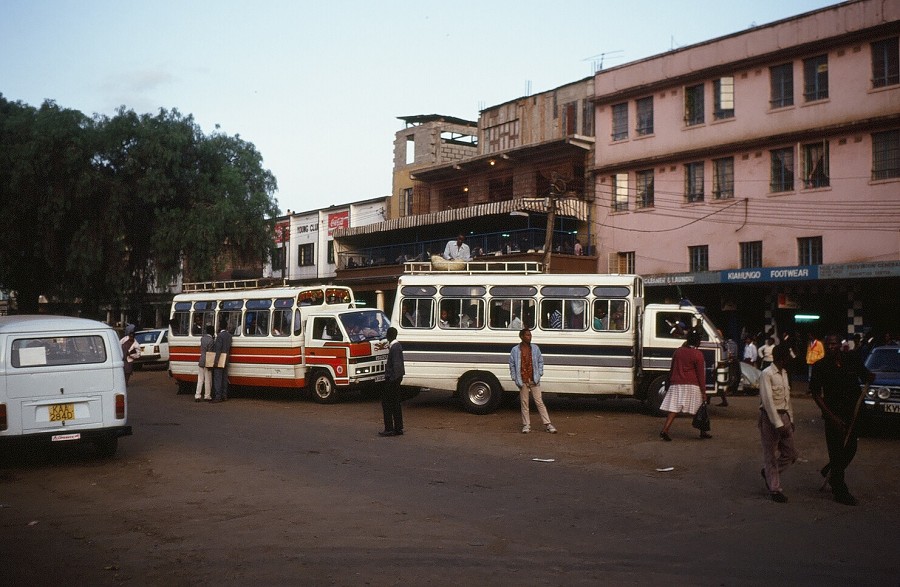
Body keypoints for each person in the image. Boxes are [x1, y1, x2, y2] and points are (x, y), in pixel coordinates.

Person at [809, 334, 874, 506]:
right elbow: (816, 394)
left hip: (852, 413)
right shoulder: (820, 366)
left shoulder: (851, 359)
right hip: (833, 415)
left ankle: (831, 470)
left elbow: (864, 374)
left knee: (851, 448)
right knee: (836, 451)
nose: (831, 347)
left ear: (840, 345)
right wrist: (832, 418)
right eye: (828, 344)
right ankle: (840, 490)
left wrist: (869, 376)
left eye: (834, 344)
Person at [758, 344, 797, 503]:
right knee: (771, 455)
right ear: (782, 358)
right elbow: (767, 401)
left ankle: (768, 473)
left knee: (791, 454)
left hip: (785, 416)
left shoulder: (784, 373)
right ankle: (774, 489)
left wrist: (790, 419)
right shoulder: (766, 374)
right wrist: (777, 423)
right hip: (770, 418)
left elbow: (787, 399)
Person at [659, 328, 709, 441]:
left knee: (674, 408)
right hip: (692, 385)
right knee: (699, 408)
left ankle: (665, 430)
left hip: (676, 384)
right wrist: (704, 392)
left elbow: (672, 368)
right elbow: (701, 375)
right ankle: (703, 431)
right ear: (697, 341)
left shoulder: (678, 351)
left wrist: (669, 381)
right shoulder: (698, 354)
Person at [508, 328, 557, 434]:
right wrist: (515, 377)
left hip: (534, 379)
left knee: (539, 402)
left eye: (530, 335)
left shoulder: (535, 348)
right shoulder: (515, 350)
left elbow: (540, 361)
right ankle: (526, 425)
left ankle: (548, 424)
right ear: (521, 337)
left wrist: (539, 374)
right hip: (522, 379)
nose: (529, 337)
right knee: (524, 403)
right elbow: (512, 364)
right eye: (527, 335)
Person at [379, 327, 405, 437]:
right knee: (396, 404)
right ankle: (398, 427)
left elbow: (396, 366)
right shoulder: (397, 346)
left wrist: (391, 379)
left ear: (389, 336)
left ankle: (389, 428)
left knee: (387, 404)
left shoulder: (394, 347)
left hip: (393, 380)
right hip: (396, 379)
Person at [211, 318, 233, 403]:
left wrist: (215, 361)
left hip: (220, 359)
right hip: (226, 358)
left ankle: (218, 396)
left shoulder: (220, 336)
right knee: (224, 378)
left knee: (218, 378)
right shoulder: (229, 336)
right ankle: (224, 395)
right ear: (226, 326)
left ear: (220, 326)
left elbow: (218, 350)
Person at [195, 325, 215, 402]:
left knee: (200, 379)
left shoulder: (202, 339)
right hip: (207, 361)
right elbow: (210, 353)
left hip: (201, 360)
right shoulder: (211, 341)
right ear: (212, 332)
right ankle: (207, 396)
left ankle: (197, 395)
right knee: (208, 379)